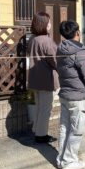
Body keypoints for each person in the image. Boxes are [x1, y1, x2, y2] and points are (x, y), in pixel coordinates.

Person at [56, 20, 85, 169]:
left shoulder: (61, 49)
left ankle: (62, 158)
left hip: (66, 94)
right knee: (77, 129)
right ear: (77, 33)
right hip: (78, 96)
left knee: (65, 127)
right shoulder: (80, 51)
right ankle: (69, 161)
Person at [28, 12, 58, 143]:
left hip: (34, 78)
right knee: (45, 108)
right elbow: (55, 61)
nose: (50, 24)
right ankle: (41, 135)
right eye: (49, 22)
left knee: (38, 107)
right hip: (46, 79)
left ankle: (36, 129)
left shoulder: (32, 39)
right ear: (44, 24)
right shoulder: (46, 41)